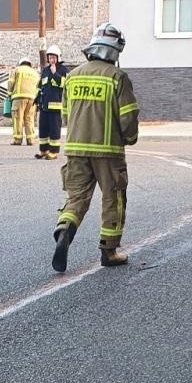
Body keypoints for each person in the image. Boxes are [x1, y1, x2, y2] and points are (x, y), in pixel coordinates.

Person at [52, 23, 139, 272]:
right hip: (108, 152)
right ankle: (109, 250)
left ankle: (64, 228)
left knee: (77, 197)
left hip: (76, 149)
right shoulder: (117, 78)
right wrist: (129, 138)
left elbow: (66, 114)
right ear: (115, 51)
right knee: (114, 197)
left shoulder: (72, 76)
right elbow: (128, 117)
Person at [35, 46, 67, 160]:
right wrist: (37, 100)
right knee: (43, 128)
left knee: (54, 129)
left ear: (58, 58)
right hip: (44, 105)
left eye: (54, 58)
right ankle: (43, 150)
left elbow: (64, 84)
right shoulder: (45, 70)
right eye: (50, 58)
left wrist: (55, 74)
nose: (52, 60)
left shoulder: (63, 70)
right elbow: (41, 86)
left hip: (55, 107)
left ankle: (53, 151)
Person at [9, 58, 39, 147]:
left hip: (19, 97)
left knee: (17, 118)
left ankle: (17, 139)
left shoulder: (17, 70)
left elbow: (11, 82)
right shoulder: (35, 73)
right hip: (32, 99)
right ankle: (31, 139)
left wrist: (9, 94)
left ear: (20, 63)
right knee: (29, 119)